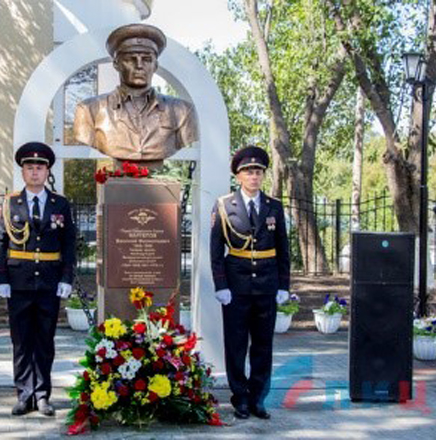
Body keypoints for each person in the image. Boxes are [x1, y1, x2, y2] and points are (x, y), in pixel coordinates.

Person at [0, 141, 76, 417]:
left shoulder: (60, 204)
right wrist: (0, 279)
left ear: (47, 170)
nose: (35, 172)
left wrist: (67, 278)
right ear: (23, 172)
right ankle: (23, 394)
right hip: (18, 283)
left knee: (44, 340)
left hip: (49, 283)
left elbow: (69, 244)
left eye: (40, 167)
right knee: (21, 341)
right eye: (30, 167)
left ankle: (42, 395)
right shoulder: (10, 204)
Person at [209, 145, 290, 420]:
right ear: (239, 176)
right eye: (248, 172)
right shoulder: (224, 205)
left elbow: (283, 249)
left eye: (258, 172)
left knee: (263, 345)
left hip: (266, 285)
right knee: (236, 345)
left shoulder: (274, 207)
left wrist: (283, 285)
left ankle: (258, 398)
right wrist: (221, 286)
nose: (254, 177)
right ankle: (239, 397)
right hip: (236, 287)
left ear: (263, 175)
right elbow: (216, 250)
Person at [73, 23, 198, 166]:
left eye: (146, 59)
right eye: (130, 59)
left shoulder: (182, 112)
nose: (139, 65)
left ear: (155, 65)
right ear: (116, 64)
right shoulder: (89, 110)